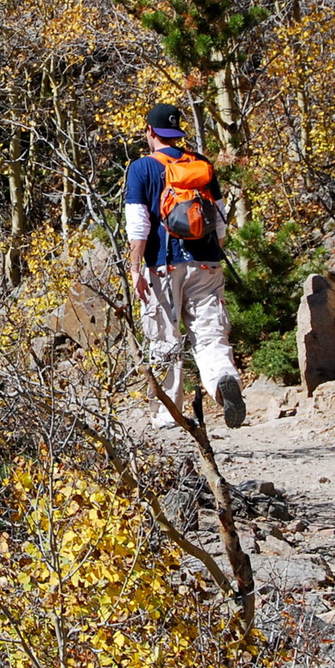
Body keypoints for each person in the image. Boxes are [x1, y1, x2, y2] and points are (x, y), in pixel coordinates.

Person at [124, 103, 246, 429]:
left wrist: (136, 269)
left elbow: (138, 227)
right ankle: (222, 380)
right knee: (210, 335)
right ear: (177, 133)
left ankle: (169, 416)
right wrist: (211, 254)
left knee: (164, 341)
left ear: (150, 132)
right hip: (206, 262)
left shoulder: (142, 168)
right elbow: (220, 221)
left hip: (162, 266)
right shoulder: (201, 165)